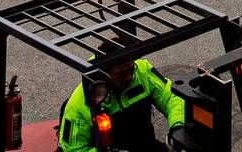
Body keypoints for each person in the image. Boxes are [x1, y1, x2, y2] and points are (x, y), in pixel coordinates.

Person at [58, 56, 187, 152]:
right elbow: (73, 150)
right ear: (104, 75)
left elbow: (171, 96)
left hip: (146, 146)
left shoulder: (141, 71)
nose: (129, 77)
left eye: (131, 69)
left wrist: (177, 127)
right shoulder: (80, 103)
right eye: (121, 74)